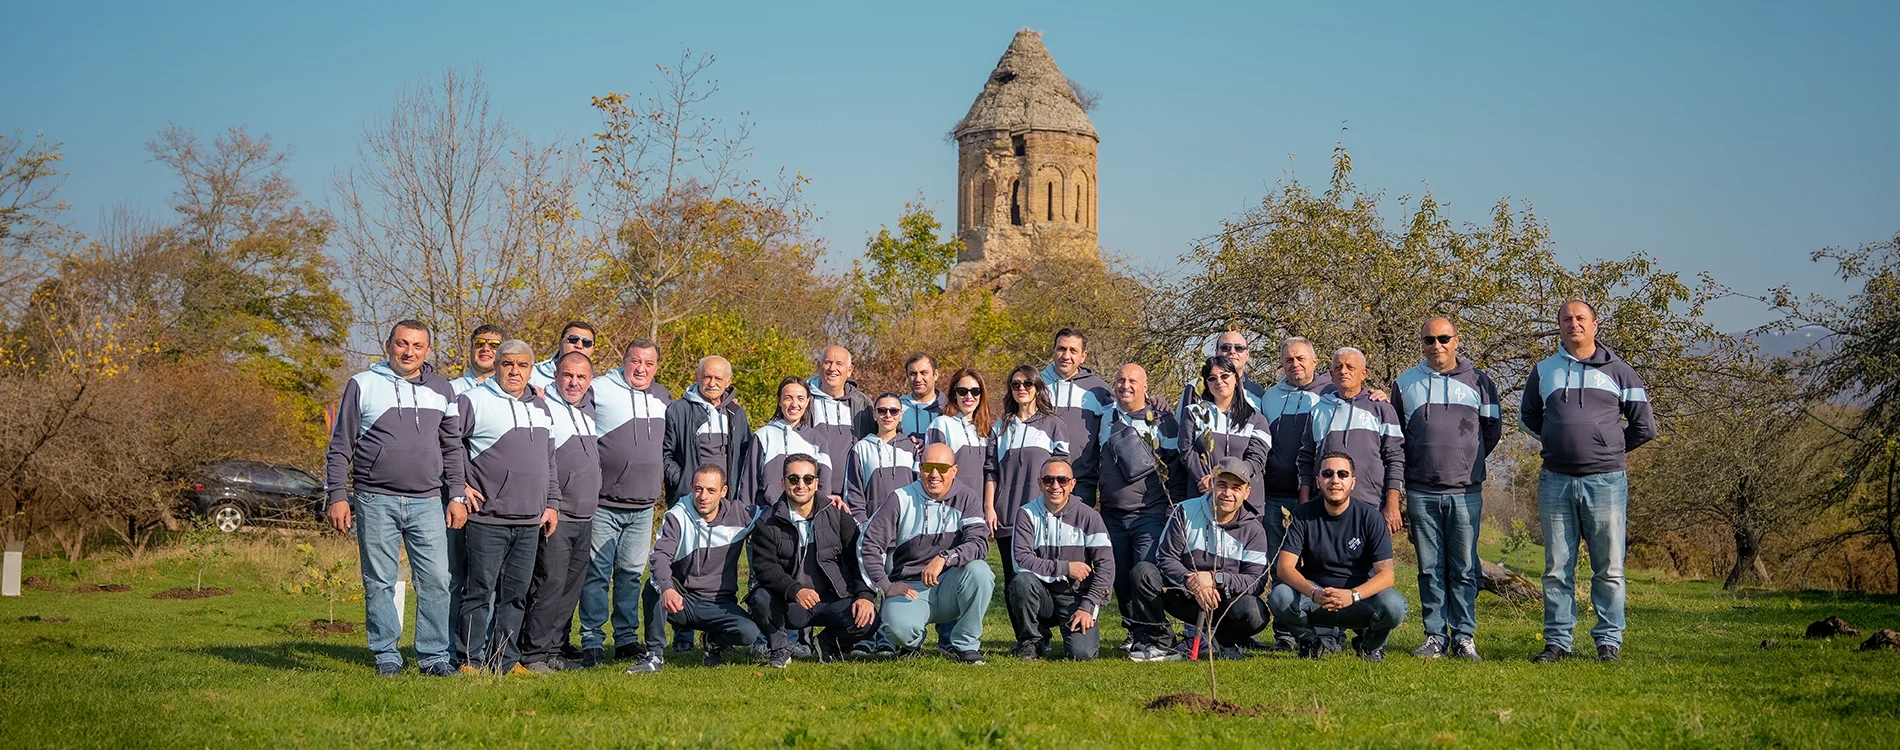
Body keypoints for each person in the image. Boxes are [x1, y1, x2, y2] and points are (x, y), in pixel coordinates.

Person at [324, 320, 465, 677]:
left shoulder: (442, 389)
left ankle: (434, 656)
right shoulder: (363, 384)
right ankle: (386, 653)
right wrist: (337, 494)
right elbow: (341, 444)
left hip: (428, 501)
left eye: (418, 346)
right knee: (380, 580)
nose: (409, 352)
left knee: (435, 578)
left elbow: (452, 448)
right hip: (375, 498)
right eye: (403, 344)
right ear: (389, 344)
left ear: (428, 351)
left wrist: (458, 495)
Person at [1521, 300, 1657, 663]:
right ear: (1559, 326)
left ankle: (1608, 642)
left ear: (1595, 324)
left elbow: (1645, 426)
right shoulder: (1544, 370)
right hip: (1556, 480)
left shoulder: (1621, 371)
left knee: (1609, 567)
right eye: (1566, 319)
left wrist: (1607, 448)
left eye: (1581, 318)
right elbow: (1529, 417)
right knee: (1555, 567)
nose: (1573, 324)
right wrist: (1559, 441)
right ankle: (1557, 643)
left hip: (1606, 481)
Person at [1393, 317, 1501, 661]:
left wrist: (1466, 458)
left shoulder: (1480, 381)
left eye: (1443, 338)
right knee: (1429, 567)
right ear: (1422, 343)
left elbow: (1492, 430)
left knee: (1465, 567)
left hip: (1466, 490)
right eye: (1429, 340)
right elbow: (1395, 437)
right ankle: (1435, 636)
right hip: (1421, 490)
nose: (1436, 345)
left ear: (1456, 340)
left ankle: (1464, 636)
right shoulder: (1405, 383)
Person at [454, 339, 560, 674]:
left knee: (515, 594)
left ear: (531, 369)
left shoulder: (541, 407)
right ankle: (468, 660)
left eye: (522, 365)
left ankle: (505, 660)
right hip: (487, 517)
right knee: (480, 591)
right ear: (497, 365)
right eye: (508, 364)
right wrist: (459, 487)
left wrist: (552, 503)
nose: (514, 371)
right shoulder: (472, 400)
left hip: (530, 519)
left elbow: (549, 460)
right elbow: (449, 444)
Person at [579, 338, 671, 665]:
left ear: (656, 367)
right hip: (604, 503)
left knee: (631, 574)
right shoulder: (601, 388)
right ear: (624, 360)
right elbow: (568, 396)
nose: (641, 369)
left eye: (648, 363)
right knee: (597, 574)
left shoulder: (662, 397)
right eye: (635, 361)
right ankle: (591, 639)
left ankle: (627, 639)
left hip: (644, 506)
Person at [859, 443, 994, 665]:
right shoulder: (900, 498)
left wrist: (945, 557)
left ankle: (965, 644)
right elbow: (869, 544)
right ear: (919, 469)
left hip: (951, 584)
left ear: (954, 470)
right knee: (896, 630)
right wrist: (885, 585)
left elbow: (979, 543)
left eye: (941, 467)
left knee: (980, 572)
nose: (934, 474)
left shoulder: (967, 497)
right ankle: (913, 640)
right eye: (928, 466)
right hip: (911, 587)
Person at [1268, 452, 1408, 662]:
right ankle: (1310, 641)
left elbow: (1387, 575)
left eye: (1342, 474)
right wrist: (1314, 592)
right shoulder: (1302, 515)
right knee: (1280, 596)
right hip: (1316, 597)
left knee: (1395, 605)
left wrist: (1352, 595)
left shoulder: (1371, 517)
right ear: (1318, 480)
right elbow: (1285, 567)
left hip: (1358, 599)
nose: (1335, 480)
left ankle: (1370, 646)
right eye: (1327, 473)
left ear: (1353, 482)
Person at [1131, 456, 1273, 661]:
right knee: (1143, 572)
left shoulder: (1254, 530)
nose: (1228, 493)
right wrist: (1192, 580)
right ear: (1211, 484)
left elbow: (1256, 581)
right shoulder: (1185, 511)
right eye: (1222, 485)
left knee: (1254, 612)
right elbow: (1165, 558)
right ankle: (1162, 641)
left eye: (1236, 488)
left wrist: (1216, 579)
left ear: (1247, 492)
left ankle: (1223, 641)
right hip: (1185, 596)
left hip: (1224, 604)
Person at [625, 464, 763, 674]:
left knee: (749, 633)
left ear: (723, 491)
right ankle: (654, 656)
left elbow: (775, 514)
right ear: (691, 487)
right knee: (655, 586)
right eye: (698, 489)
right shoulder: (677, 515)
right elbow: (660, 557)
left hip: (719, 602)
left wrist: (822, 501)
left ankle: (713, 642)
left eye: (711, 490)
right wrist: (667, 588)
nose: (703, 496)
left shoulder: (739, 514)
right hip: (683, 600)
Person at [745, 454, 880, 668]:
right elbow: (765, 567)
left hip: (832, 598)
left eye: (808, 479)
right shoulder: (767, 521)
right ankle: (780, 649)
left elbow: (858, 560)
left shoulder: (837, 514)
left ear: (816, 482)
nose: (801, 485)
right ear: (783, 482)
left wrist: (865, 595)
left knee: (868, 619)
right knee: (760, 599)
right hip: (791, 601)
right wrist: (794, 589)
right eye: (793, 479)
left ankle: (826, 645)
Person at [519, 351, 601, 673]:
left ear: (589, 381)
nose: (574, 382)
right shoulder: (544, 405)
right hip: (558, 514)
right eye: (568, 375)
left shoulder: (590, 410)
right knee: (549, 584)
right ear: (555, 375)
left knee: (570, 588)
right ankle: (533, 654)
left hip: (586, 515)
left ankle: (555, 650)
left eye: (581, 377)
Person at [1095, 363, 1181, 661]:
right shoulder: (1105, 417)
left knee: (1143, 572)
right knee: (1118, 576)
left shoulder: (1162, 421)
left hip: (1150, 513)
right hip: (1111, 513)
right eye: (1120, 380)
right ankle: (1134, 632)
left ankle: (1157, 634)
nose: (1125, 386)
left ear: (1146, 386)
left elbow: (1176, 466)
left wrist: (1174, 508)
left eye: (1133, 381)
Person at [1256, 336, 1332, 651]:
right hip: (1274, 495)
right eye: (1289, 360)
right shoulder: (1270, 397)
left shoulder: (1329, 393)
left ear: (1314, 361)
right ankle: (1286, 635)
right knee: (1279, 565)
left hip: (1315, 499)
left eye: (1301, 359)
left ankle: (1323, 632)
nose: (1295, 365)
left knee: (1317, 564)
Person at [1007, 457, 1112, 661]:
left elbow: (1106, 566)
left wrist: (1088, 606)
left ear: (1072, 484)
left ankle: (1073, 631)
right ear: (1039, 483)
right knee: (1021, 582)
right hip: (1041, 593)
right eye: (1048, 480)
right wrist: (1065, 568)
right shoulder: (1026, 514)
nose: (1055, 486)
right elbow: (1021, 561)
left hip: (1075, 596)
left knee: (1082, 655)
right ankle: (1032, 641)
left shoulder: (1089, 516)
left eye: (1062, 480)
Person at [1297, 348, 1406, 533]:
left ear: (1364, 373)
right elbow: (1306, 461)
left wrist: (1392, 505)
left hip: (1372, 505)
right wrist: (1304, 504)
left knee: (1372, 562)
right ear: (1331, 374)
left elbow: (1395, 460)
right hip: (1324, 507)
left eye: (1350, 367)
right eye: (1338, 367)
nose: (1343, 371)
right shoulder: (1318, 411)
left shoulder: (1381, 409)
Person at [990, 365, 1070, 581]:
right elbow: (991, 472)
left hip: (1043, 515)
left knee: (1043, 580)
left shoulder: (1054, 425)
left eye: (1027, 383)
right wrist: (989, 507)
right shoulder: (999, 428)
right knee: (1013, 582)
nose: (1021, 388)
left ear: (1037, 387)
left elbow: (1062, 475)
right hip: (1007, 517)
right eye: (1015, 384)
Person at [1175, 356, 1271, 514]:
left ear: (1236, 378)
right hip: (1203, 497)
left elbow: (1257, 458)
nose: (1219, 381)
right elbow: (1186, 451)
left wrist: (1232, 482)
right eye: (1212, 378)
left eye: (1225, 375)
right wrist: (1209, 481)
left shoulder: (1256, 418)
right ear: (1206, 384)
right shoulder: (1193, 413)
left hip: (1246, 503)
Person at [662, 356, 751, 504]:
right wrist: (682, 479)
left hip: (727, 499)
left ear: (728, 381)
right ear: (697, 377)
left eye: (718, 378)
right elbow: (664, 453)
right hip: (689, 498)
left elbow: (746, 453)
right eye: (707, 377)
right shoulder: (678, 410)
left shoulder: (736, 413)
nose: (712, 383)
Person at [737, 377, 833, 510]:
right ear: (779, 401)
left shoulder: (818, 440)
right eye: (788, 398)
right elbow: (748, 483)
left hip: (805, 517)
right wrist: (746, 517)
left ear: (807, 402)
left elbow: (824, 486)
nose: (794, 404)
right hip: (768, 516)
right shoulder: (763, 436)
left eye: (800, 398)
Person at [1041, 329, 1113, 504]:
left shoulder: (1099, 390)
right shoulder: (1035, 385)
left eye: (1073, 351)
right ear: (1053, 351)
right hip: (1042, 481)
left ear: (1083, 356)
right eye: (1061, 349)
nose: (1066, 355)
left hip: (1081, 484)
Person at [806, 346, 875, 504]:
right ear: (820, 366)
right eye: (828, 362)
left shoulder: (863, 403)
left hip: (854, 497)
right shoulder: (804, 400)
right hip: (812, 495)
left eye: (839, 363)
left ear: (849, 370)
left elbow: (879, 438)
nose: (832, 368)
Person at [845, 393, 921, 524]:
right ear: (874, 415)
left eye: (894, 411)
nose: (888, 415)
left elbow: (920, 488)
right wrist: (863, 527)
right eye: (881, 411)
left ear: (901, 415)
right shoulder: (861, 449)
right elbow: (853, 493)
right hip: (873, 530)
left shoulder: (911, 448)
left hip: (907, 528)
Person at [926, 368, 995, 499]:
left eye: (975, 391)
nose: (969, 397)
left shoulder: (986, 430)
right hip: (950, 505)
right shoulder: (941, 424)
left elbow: (990, 472)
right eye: (963, 391)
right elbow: (933, 471)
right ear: (954, 394)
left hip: (979, 509)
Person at [530, 320, 596, 392]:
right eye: (573, 339)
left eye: (587, 343)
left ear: (593, 350)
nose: (579, 346)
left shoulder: (597, 385)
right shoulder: (532, 374)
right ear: (560, 342)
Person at [899, 353, 944, 440]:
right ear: (907, 376)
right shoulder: (895, 409)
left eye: (924, 373)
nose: (918, 379)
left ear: (935, 375)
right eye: (913, 373)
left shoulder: (948, 408)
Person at [452, 324, 506, 395]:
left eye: (494, 345)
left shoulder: (514, 392)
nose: (485, 349)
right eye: (479, 343)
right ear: (471, 349)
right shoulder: (450, 390)